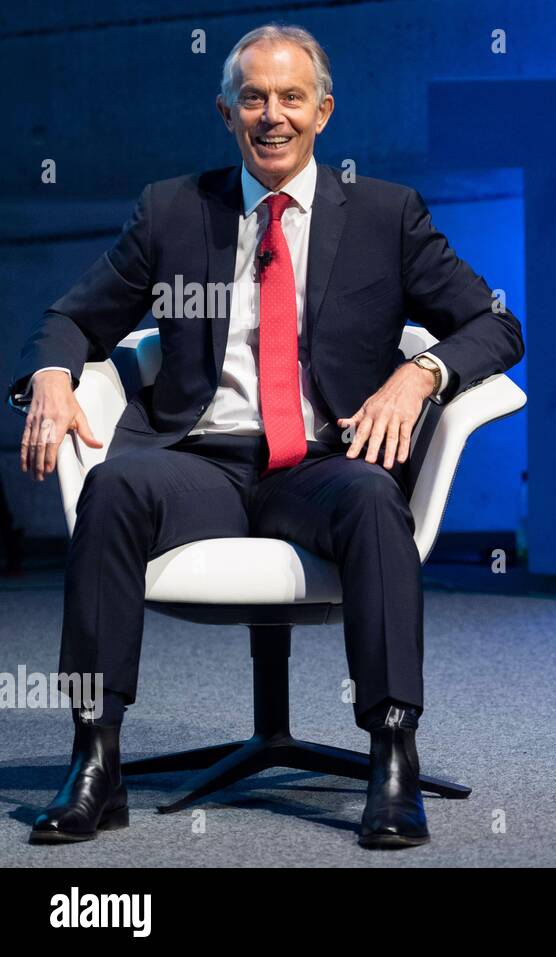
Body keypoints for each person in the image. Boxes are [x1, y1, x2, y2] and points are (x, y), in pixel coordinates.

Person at [8, 23, 524, 849]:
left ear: (324, 111)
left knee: (373, 499)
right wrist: (53, 373)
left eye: (291, 98)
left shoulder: (388, 216)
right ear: (226, 113)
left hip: (322, 463)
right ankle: (95, 759)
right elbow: (75, 315)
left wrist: (418, 374)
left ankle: (392, 754)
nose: (272, 115)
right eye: (253, 98)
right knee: (112, 485)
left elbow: (495, 325)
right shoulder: (174, 210)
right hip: (198, 460)